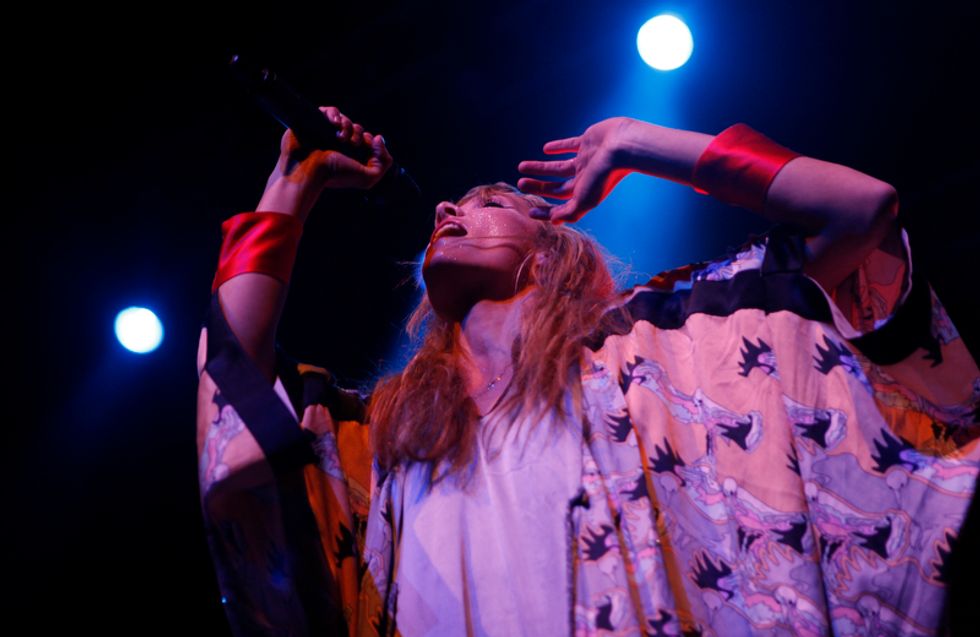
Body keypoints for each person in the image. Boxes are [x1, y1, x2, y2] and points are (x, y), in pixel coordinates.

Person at [195, 106, 979, 636]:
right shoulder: (387, 439)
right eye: (448, 208)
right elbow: (236, 397)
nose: (445, 211)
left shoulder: (662, 346)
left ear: (548, 245)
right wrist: (293, 183)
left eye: (487, 201)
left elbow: (862, 209)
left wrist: (637, 140)